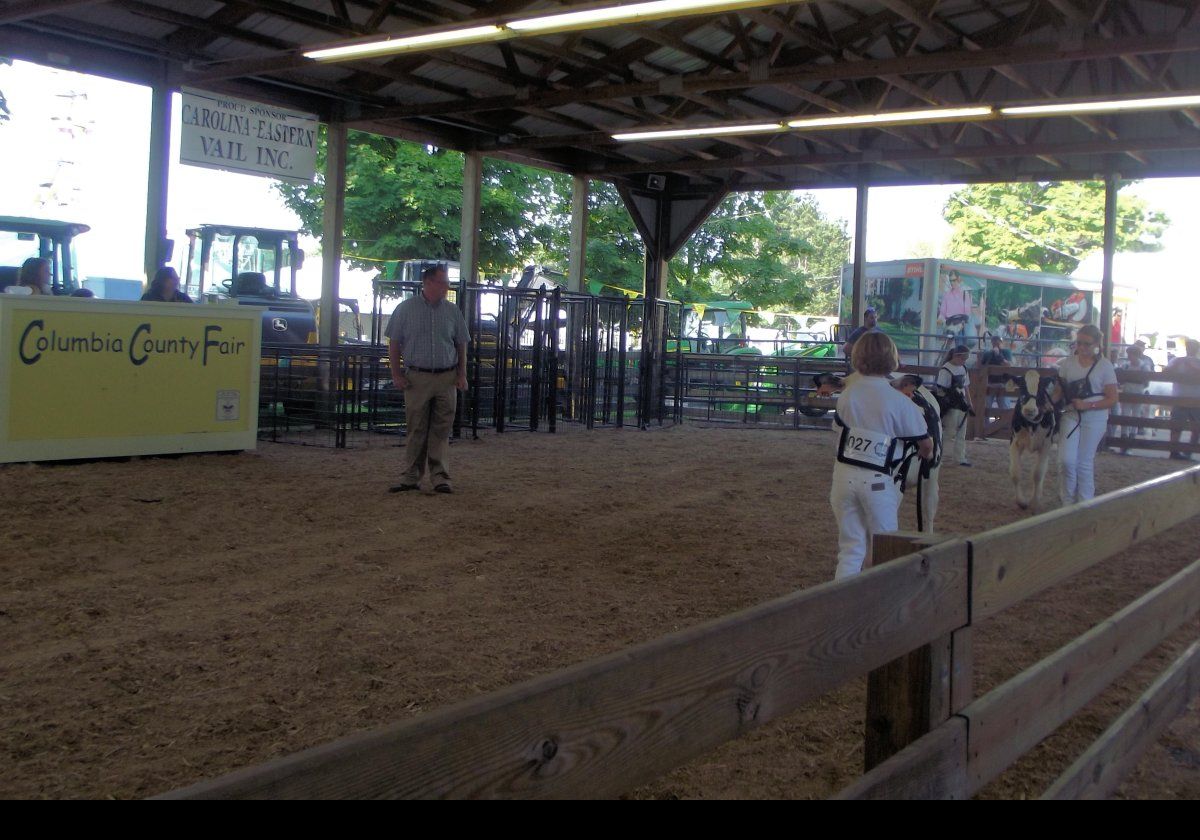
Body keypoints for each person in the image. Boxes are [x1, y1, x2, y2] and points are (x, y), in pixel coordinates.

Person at [830, 332, 933, 579]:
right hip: (877, 481)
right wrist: (923, 454)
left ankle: (843, 605)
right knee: (885, 550)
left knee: (851, 549)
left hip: (843, 478)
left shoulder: (848, 395)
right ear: (892, 359)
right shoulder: (899, 401)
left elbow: (839, 428)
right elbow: (925, 442)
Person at [385, 264, 471, 494]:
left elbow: (461, 343)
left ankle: (440, 477)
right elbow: (393, 343)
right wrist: (396, 374)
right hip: (417, 377)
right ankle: (411, 476)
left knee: (441, 429)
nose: (446, 286)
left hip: (446, 377)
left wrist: (461, 374)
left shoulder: (453, 311)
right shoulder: (405, 309)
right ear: (428, 282)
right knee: (417, 428)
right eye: (443, 282)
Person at [1057, 324, 1119, 504]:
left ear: (1096, 344)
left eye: (1087, 344)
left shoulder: (1105, 366)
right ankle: (1066, 503)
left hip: (1095, 418)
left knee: (1083, 462)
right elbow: (1058, 391)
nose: (1082, 347)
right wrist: (1046, 403)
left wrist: (1088, 405)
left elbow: (1112, 398)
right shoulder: (1068, 363)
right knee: (1066, 460)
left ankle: (1085, 503)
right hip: (1071, 414)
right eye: (1079, 343)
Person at [1112, 339, 1154, 453]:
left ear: (1136, 355)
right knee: (1125, 415)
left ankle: (1130, 441)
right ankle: (1124, 440)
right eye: (1129, 354)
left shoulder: (1143, 367)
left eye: (1131, 354)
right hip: (1128, 393)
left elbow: (1147, 382)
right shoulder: (1126, 366)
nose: (1129, 357)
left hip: (1137, 393)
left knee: (1135, 416)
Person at [936, 345, 974, 466]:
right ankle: (938, 457)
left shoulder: (963, 368)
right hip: (951, 404)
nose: (964, 361)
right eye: (963, 358)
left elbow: (966, 386)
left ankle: (960, 457)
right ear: (956, 356)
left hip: (962, 403)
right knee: (949, 432)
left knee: (961, 432)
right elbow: (941, 390)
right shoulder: (945, 369)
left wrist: (969, 402)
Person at [1167, 338, 1200, 461]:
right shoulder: (1195, 362)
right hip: (1195, 399)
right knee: (1195, 427)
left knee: (1178, 426)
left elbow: (1166, 372)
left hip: (1181, 397)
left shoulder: (1177, 361)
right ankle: (1186, 452)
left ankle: (1175, 451)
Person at [978, 334, 1014, 412]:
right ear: (992, 343)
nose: (996, 343)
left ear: (1002, 342)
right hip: (989, 383)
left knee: (1005, 408)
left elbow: (1008, 365)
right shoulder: (987, 354)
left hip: (1003, 384)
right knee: (985, 408)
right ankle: (985, 424)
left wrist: (998, 355)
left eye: (998, 341)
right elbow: (981, 367)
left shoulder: (1006, 352)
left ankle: (1004, 424)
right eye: (994, 341)